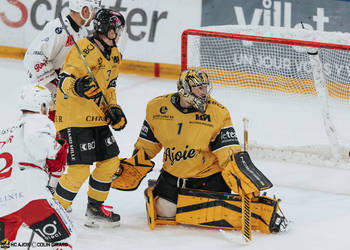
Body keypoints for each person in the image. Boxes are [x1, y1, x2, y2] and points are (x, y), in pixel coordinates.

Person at [111, 69, 288, 234]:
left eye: (205, 88)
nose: (204, 92)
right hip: (173, 178)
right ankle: (163, 190)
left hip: (209, 180)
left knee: (217, 218)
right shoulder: (157, 108)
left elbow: (228, 153)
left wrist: (242, 177)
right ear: (184, 89)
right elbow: (148, 144)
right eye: (199, 88)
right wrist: (135, 162)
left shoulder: (218, 112)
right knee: (165, 213)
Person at [53, 8, 127, 228]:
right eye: (117, 29)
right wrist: (77, 86)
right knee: (79, 169)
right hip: (73, 117)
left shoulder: (115, 55)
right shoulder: (83, 49)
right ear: (104, 28)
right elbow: (64, 80)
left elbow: (110, 86)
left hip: (97, 116)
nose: (119, 33)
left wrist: (114, 109)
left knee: (110, 162)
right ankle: (52, 212)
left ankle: (94, 209)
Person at [0, 84, 74, 250]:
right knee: (65, 238)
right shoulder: (40, 121)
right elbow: (40, 146)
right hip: (28, 194)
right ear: (41, 105)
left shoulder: (6, 131)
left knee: (3, 243)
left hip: (2, 200)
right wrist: (56, 149)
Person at [23, 0, 101, 122]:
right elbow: (33, 58)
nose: (94, 14)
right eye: (94, 10)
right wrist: (57, 82)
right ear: (85, 10)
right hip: (43, 97)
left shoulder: (82, 32)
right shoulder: (59, 29)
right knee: (41, 133)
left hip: (61, 97)